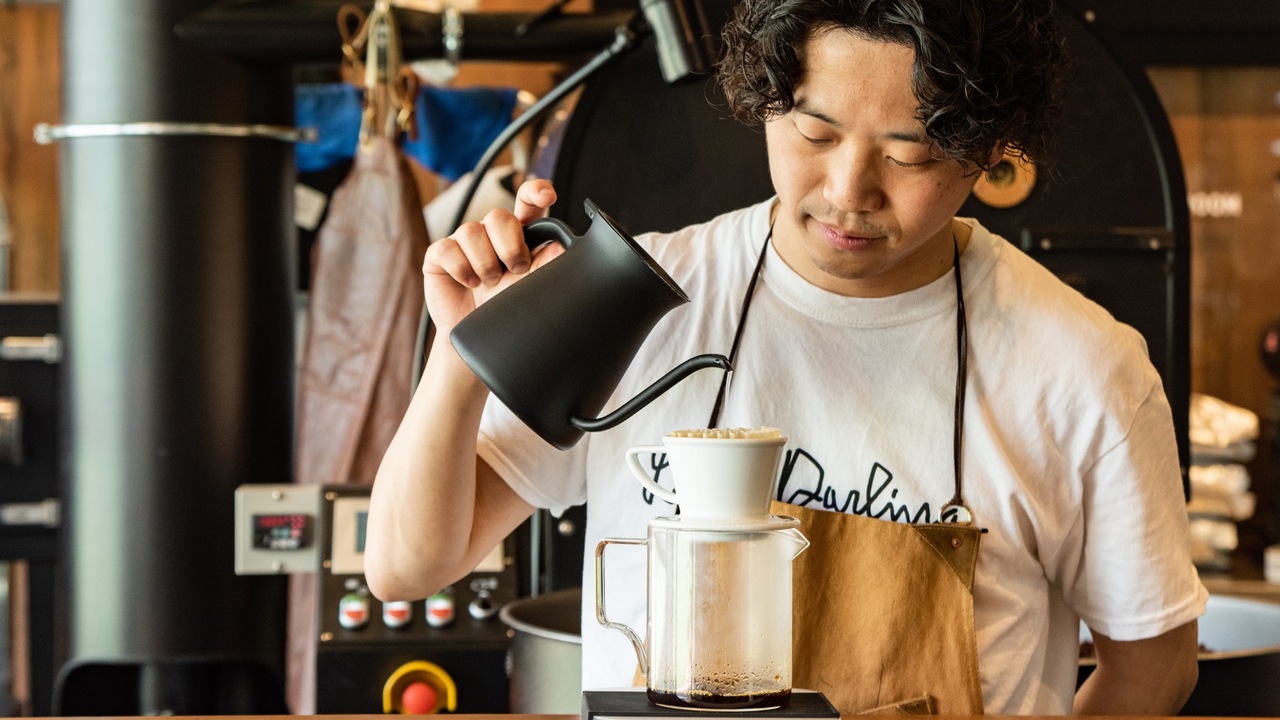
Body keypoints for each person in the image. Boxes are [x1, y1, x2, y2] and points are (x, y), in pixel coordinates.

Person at [365, 0, 1207, 714]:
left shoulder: (1082, 368)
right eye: (815, 130)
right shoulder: (639, 302)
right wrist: (461, 354)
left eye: (909, 153)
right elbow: (406, 564)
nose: (849, 191)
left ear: (988, 151)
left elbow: (1154, 663)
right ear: (766, 99)